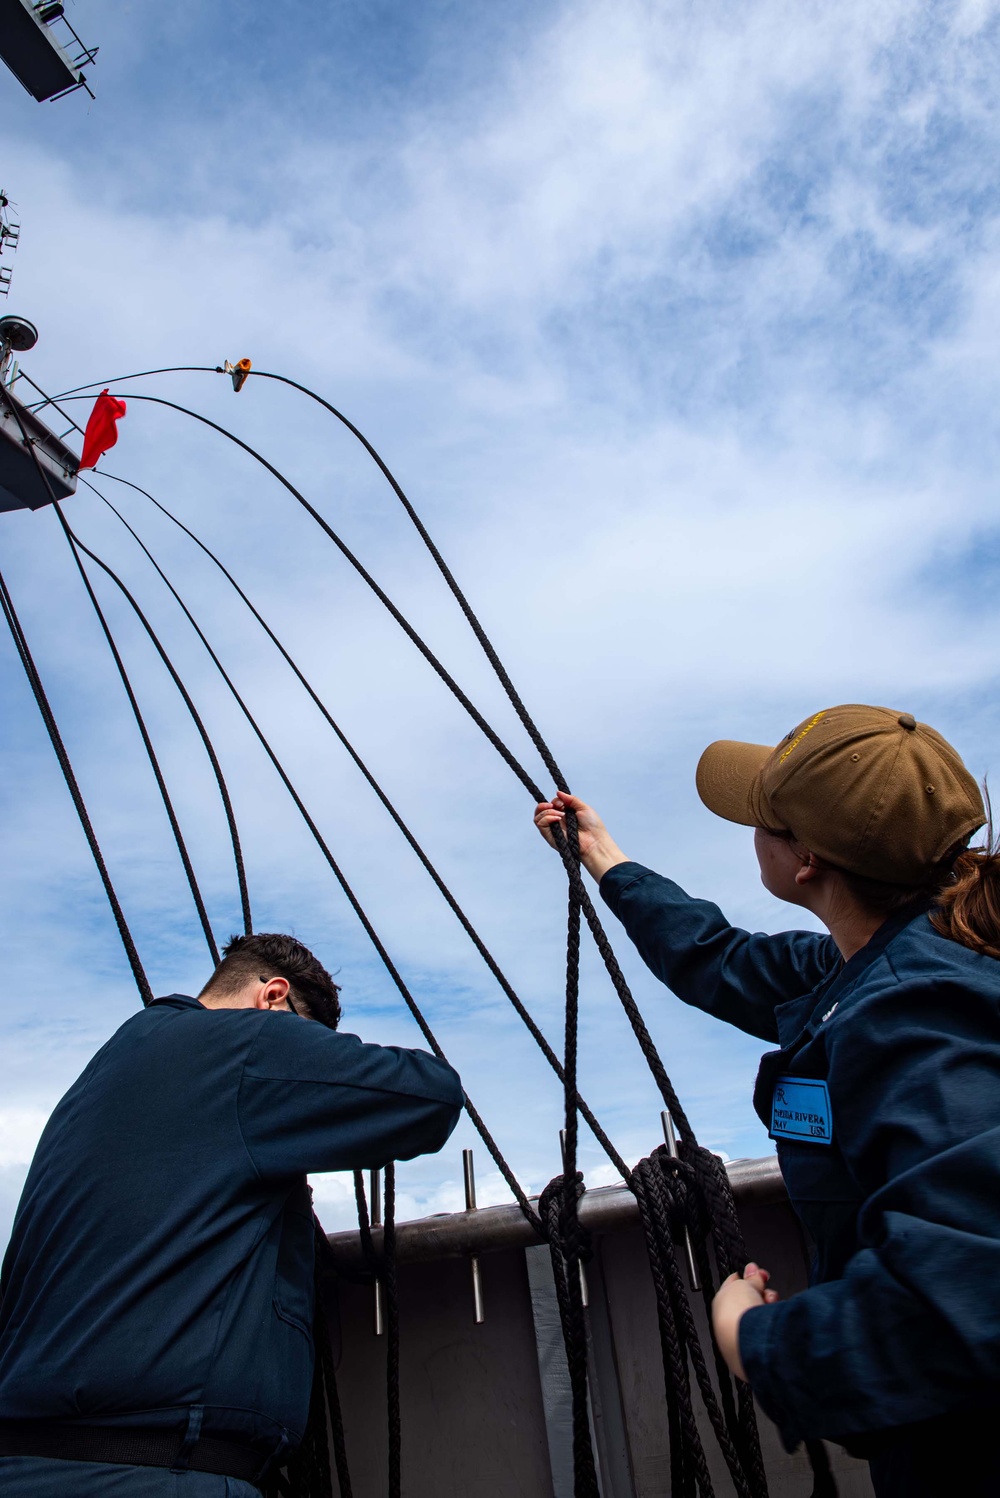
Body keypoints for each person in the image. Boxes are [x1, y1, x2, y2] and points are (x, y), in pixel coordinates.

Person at [534, 704, 1000, 1498]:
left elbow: (962, 1302)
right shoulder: (873, 964)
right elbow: (718, 959)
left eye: (763, 817)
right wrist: (602, 856)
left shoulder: (917, 1014)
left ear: (807, 860)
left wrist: (750, 1335)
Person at [0, 931, 463, 1495]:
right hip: (156, 1473)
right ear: (272, 997)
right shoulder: (243, 1045)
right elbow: (430, 1096)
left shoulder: (108, 1069)